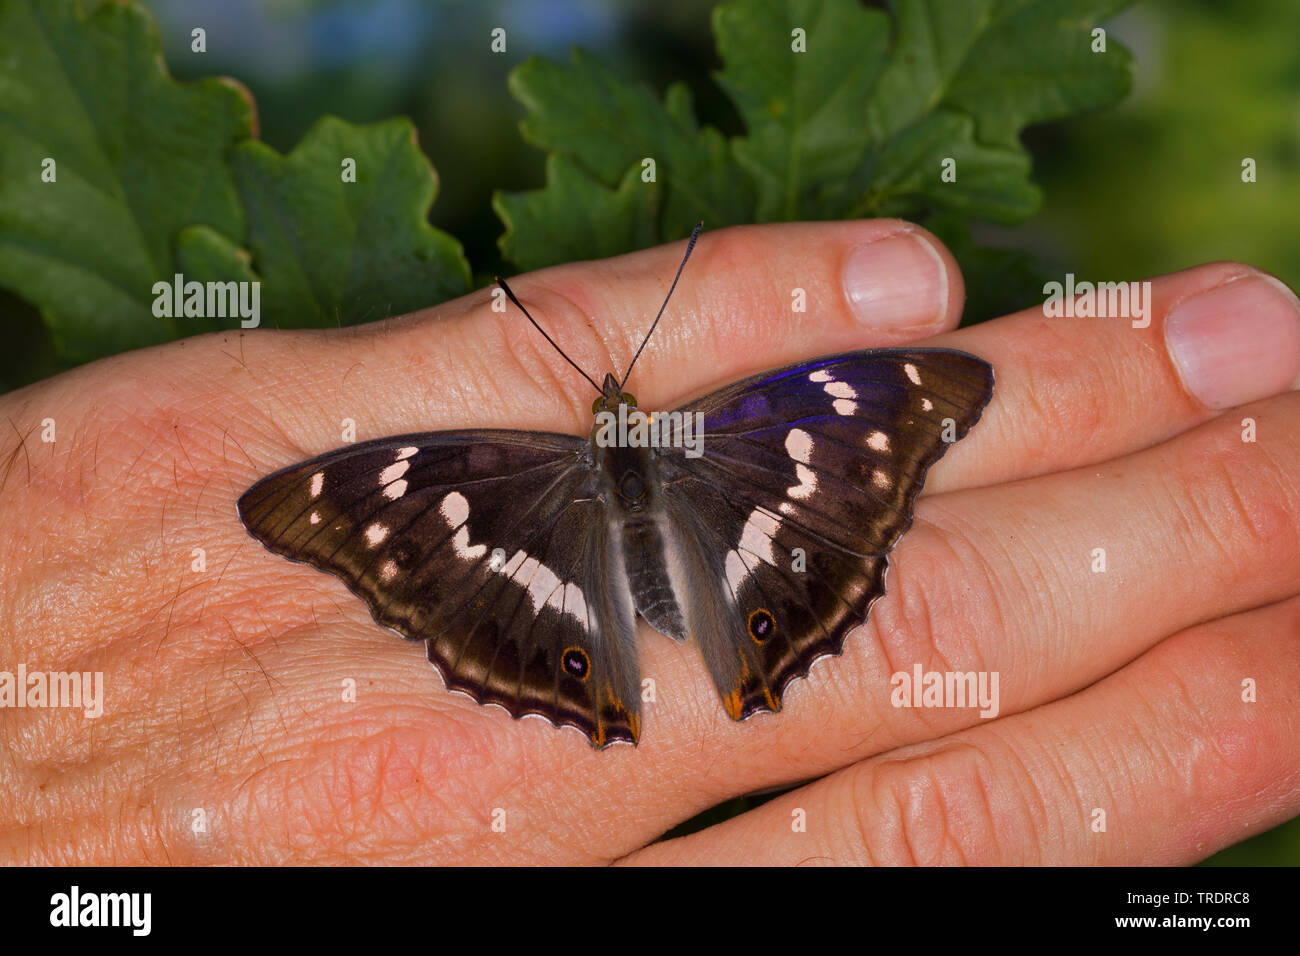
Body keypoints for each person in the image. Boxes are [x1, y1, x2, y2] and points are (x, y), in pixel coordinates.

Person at [2, 220, 1298, 864]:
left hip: (555, 568)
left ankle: (632, 671)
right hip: (686, 544)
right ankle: (708, 654)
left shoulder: (455, 477)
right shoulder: (766, 427)